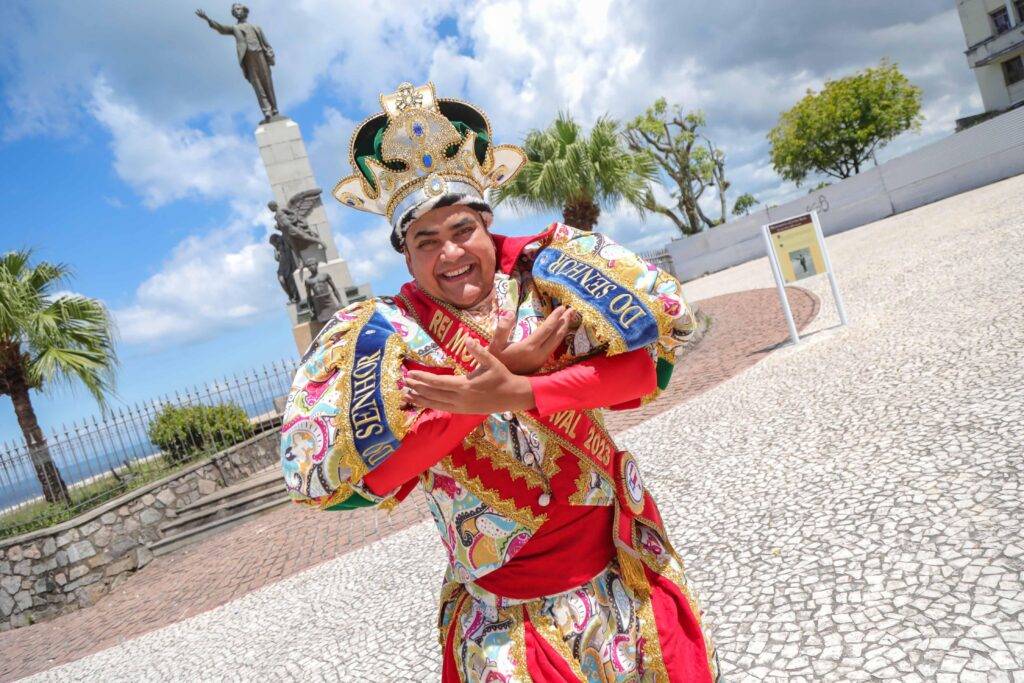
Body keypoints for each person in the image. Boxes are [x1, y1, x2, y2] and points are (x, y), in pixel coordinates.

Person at [281, 82, 719, 681]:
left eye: (462, 229)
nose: (450, 252)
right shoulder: (385, 339)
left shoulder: (549, 274)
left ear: (487, 227)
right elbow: (355, 483)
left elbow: (649, 368)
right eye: (425, 241)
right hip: (508, 625)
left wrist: (517, 390)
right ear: (406, 257)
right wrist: (483, 397)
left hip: (624, 580)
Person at [195, 4, 278, 123]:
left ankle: (275, 109)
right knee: (257, 85)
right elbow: (222, 29)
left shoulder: (256, 27)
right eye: (234, 11)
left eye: (238, 9)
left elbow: (266, 43)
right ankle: (267, 110)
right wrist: (208, 20)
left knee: (267, 82)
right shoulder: (235, 28)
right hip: (248, 58)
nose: (236, 12)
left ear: (244, 11)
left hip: (260, 54)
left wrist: (270, 54)